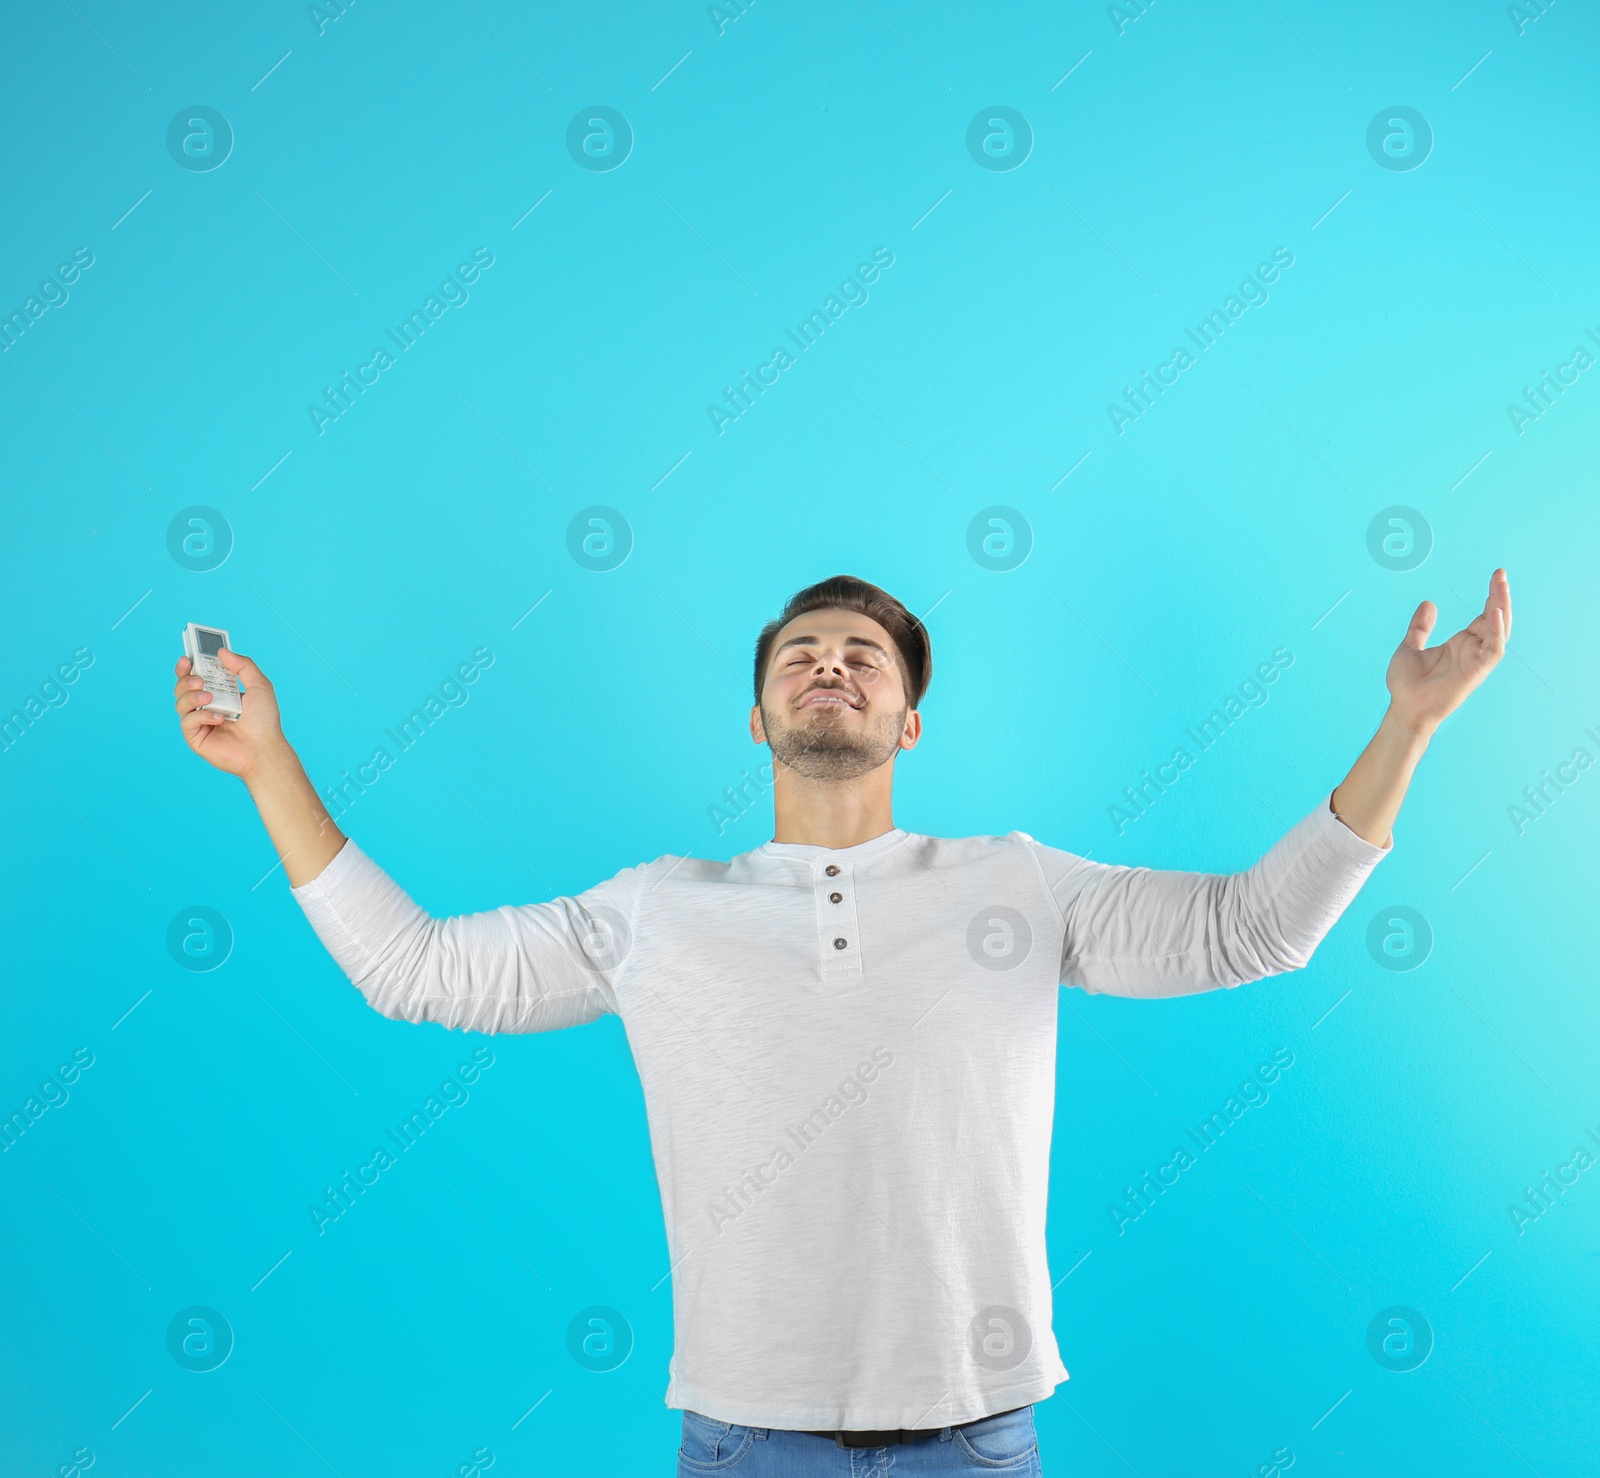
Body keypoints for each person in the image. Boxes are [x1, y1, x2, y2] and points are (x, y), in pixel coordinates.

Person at [172, 569, 1511, 1476]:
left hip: (977, 1433)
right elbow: (416, 969)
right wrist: (268, 763)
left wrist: (1410, 724)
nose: (832, 664)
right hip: (750, 1437)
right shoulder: (656, 907)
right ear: (758, 715)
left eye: (863, 655)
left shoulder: (1015, 879)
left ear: (909, 719)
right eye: (801, 652)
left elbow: (1252, 928)